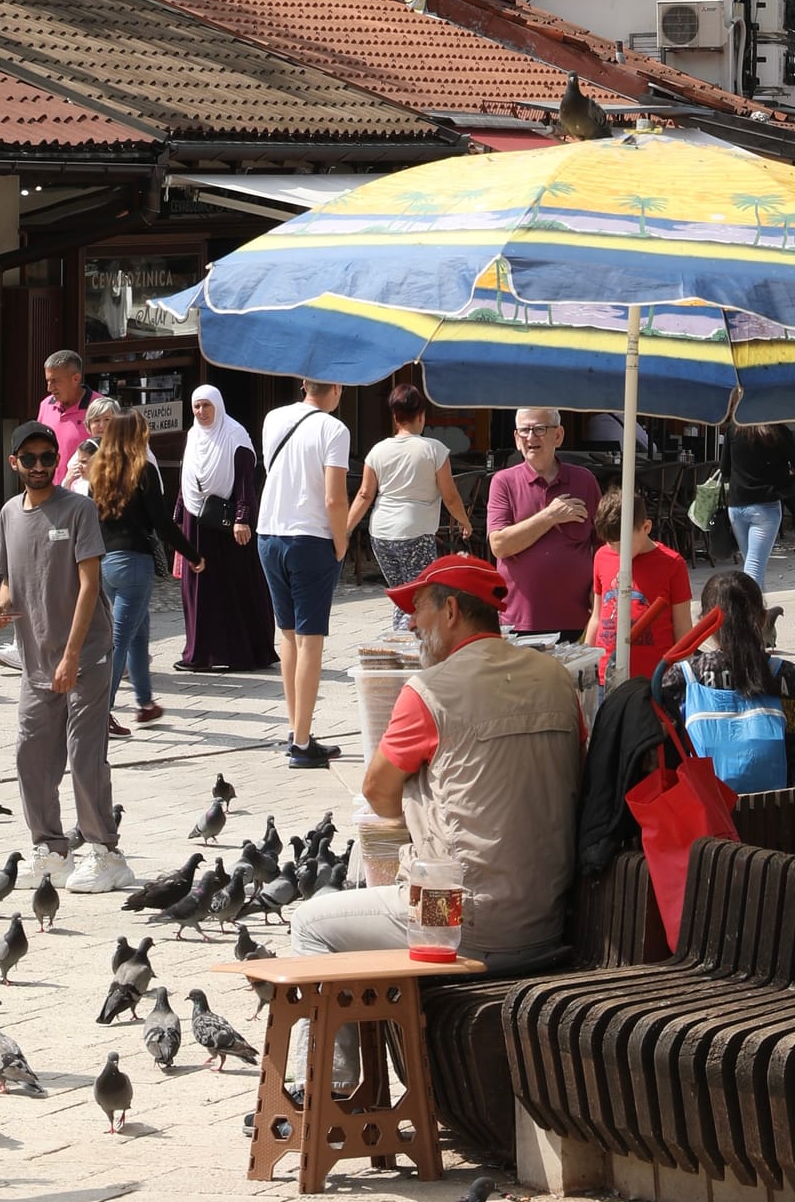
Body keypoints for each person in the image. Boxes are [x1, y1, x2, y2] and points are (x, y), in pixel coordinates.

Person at [289, 553, 583, 991]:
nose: (410, 624)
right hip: (545, 919)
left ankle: (324, 1065)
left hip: (462, 921)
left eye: (418, 609)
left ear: (451, 611)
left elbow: (377, 794)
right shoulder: (557, 676)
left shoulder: (430, 690)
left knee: (309, 923)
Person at [0, 421, 132, 891]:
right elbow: (9, 578)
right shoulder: (9, 513)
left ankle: (105, 852)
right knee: (32, 756)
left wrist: (70, 656)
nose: (41, 466)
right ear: (15, 464)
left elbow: (90, 585)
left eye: (48, 457)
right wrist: (1, 608)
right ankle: (49, 850)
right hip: (34, 660)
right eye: (30, 459)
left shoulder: (79, 509)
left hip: (84, 656)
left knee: (84, 755)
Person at [652, 570, 795, 790]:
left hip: (707, 817)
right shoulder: (793, 679)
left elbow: (663, 763)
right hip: (777, 816)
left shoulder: (681, 680)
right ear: (763, 617)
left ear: (705, 623)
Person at [256, 376, 351, 769]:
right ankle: (300, 742)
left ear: (303, 385)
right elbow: (334, 496)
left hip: (269, 532)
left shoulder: (273, 418)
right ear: (337, 389)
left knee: (289, 636)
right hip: (310, 537)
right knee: (311, 640)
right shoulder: (335, 428)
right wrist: (341, 540)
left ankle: (298, 730)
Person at [173, 385, 276, 676]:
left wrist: (243, 518)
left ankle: (243, 651)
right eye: (197, 406)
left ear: (217, 406)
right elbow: (187, 479)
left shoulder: (235, 436)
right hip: (197, 518)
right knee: (198, 586)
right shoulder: (193, 435)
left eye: (207, 406)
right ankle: (200, 652)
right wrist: (179, 515)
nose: (202, 412)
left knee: (235, 583)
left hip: (229, 520)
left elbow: (245, 481)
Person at [83, 402, 172, 729]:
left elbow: (92, 515)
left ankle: (145, 702)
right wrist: (191, 555)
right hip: (134, 562)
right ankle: (101, 710)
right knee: (118, 638)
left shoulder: (99, 467)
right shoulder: (142, 467)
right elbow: (160, 520)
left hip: (105, 560)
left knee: (138, 629)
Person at [345, 382, 471, 593]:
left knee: (401, 593)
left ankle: (401, 625)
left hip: (381, 533)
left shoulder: (377, 450)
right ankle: (408, 627)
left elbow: (365, 494)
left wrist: (346, 528)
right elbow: (450, 496)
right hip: (416, 531)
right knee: (421, 596)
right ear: (421, 415)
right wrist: (464, 520)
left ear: (395, 417)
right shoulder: (435, 450)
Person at [485, 407, 598, 637]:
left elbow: (606, 543)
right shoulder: (503, 482)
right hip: (520, 621)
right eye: (524, 431)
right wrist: (550, 516)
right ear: (516, 439)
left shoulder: (583, 480)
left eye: (539, 429)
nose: (530, 437)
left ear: (558, 435)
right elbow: (499, 545)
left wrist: (599, 590)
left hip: (579, 618)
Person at [586, 488, 692, 680]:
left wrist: (685, 676)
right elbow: (597, 616)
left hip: (654, 677)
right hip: (606, 674)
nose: (617, 551)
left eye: (623, 543)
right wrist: (585, 661)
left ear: (646, 528)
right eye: (611, 543)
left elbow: (683, 627)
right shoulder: (602, 556)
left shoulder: (672, 564)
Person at [720, 420, 795, 587]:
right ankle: (748, 611)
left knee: (752, 562)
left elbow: (724, 469)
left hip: (737, 504)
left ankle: (759, 611)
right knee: (754, 567)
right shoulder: (779, 431)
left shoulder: (734, 429)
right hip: (765, 505)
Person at [39, 349, 92, 485]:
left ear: (75, 378)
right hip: (49, 494)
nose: (49, 388)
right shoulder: (46, 405)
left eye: (54, 381)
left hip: (85, 496)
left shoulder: (99, 409)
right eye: (47, 381)